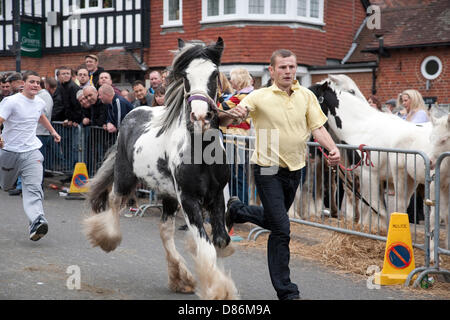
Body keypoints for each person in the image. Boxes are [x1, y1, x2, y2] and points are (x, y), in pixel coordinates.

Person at [221, 49, 340, 300]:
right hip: (267, 168)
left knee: (276, 223)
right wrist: (235, 114)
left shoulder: (306, 96)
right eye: (282, 67)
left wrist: (332, 149)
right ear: (272, 70)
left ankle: (237, 211)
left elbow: (317, 127)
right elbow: (228, 116)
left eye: (291, 67)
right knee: (282, 230)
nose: (288, 71)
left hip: (296, 168)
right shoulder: (259, 96)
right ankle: (287, 291)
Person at [0, 70, 61, 241]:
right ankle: (8, 182)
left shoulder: (39, 102)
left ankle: (37, 221)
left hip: (32, 151)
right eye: (31, 82)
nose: (35, 85)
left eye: (38, 83)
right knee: (5, 185)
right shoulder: (11, 102)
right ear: (23, 84)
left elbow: (40, 116)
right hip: (9, 151)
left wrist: (53, 132)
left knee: (33, 188)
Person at [220, 68, 254, 206]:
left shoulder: (240, 96)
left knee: (235, 175)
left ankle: (239, 206)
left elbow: (220, 107)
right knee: (238, 174)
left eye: (232, 79)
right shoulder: (247, 94)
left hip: (234, 138)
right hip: (240, 138)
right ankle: (241, 205)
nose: (230, 82)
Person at [36, 78, 54, 178]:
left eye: (36, 83)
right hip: (35, 133)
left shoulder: (44, 96)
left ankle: (38, 185)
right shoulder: (36, 96)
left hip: (41, 133)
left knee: (37, 162)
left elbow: (44, 115)